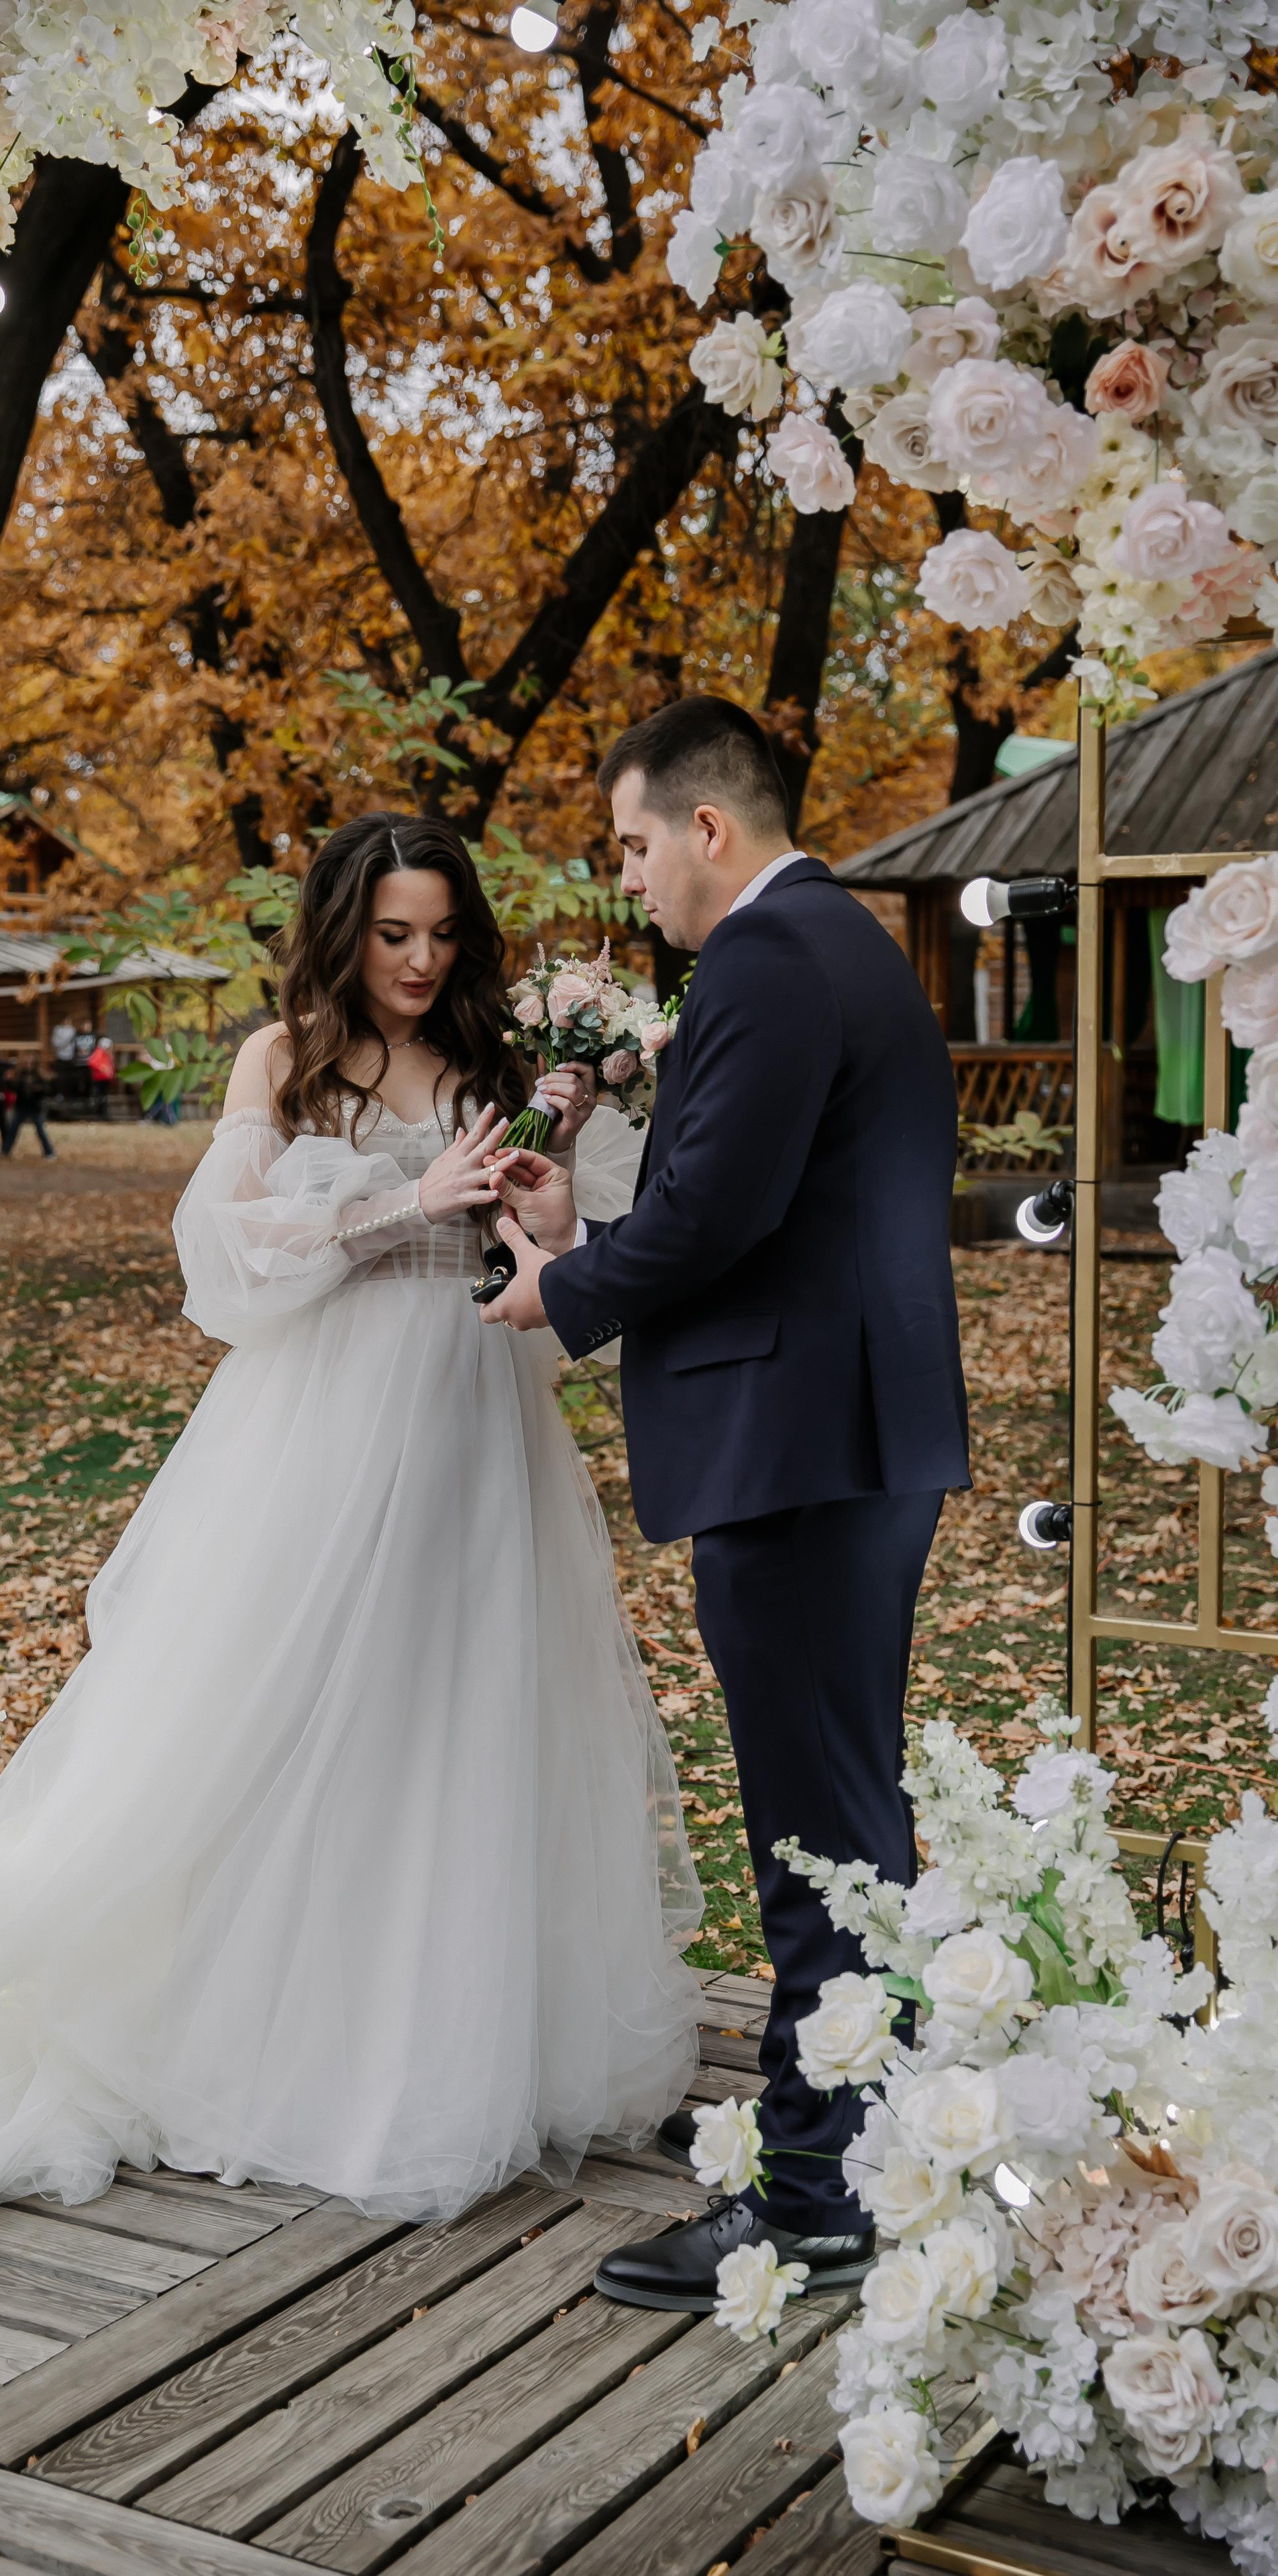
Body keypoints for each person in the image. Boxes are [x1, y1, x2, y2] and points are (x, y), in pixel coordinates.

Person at [0, 812, 702, 2230]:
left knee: (457, 1705)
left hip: (474, 1410)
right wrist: (408, 1191)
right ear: (343, 930)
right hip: (324, 1416)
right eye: (391, 933)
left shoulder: (499, 1068)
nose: (417, 961)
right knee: (267, 1704)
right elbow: (221, 1258)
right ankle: (250, 2027)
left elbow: (576, 1266)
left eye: (441, 933)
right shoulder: (278, 1063)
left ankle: (433, 2034)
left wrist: (543, 1180)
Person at [483, 696, 969, 2312]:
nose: (626, 879)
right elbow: (755, 1201)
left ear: (706, 828)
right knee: (848, 1817)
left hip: (797, 1451)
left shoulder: (763, 959)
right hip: (852, 1435)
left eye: (632, 843)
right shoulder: (844, 951)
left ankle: (812, 2195)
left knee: (810, 1837)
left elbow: (712, 1225)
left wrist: (560, 1285)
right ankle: (884, 2140)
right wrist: (601, 1219)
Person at [3, 1059, 56, 1159]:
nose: (29, 1065)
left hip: (35, 1107)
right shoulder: (20, 1077)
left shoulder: (40, 1077)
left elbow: (47, 1091)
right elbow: (14, 1088)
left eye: (31, 1063)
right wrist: (8, 1081)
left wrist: (40, 1089)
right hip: (22, 1107)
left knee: (41, 1131)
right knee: (13, 1130)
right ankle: (5, 1150)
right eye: (27, 1063)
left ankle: (49, 1152)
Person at [87, 1034, 116, 1118]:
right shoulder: (99, 1052)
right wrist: (102, 1068)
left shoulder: (108, 1054)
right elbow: (92, 1062)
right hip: (99, 1078)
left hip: (105, 1079)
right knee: (100, 1096)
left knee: (104, 1096)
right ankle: (100, 1113)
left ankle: (103, 1112)